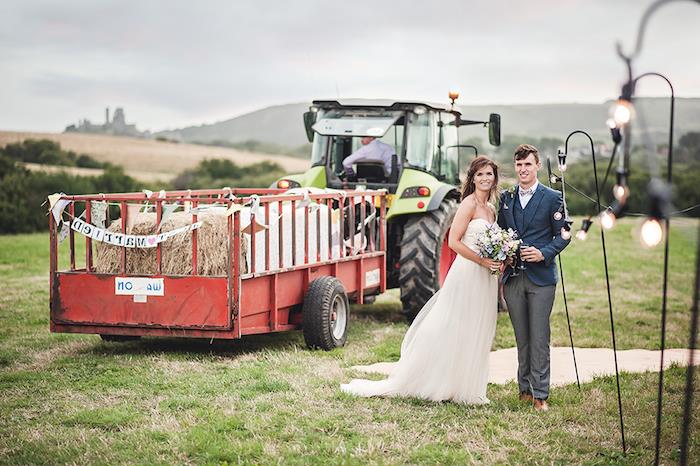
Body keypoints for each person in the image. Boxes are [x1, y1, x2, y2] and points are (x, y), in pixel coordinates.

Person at [341, 156, 502, 404]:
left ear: (494, 178)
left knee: (477, 327)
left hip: (486, 277)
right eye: (479, 174)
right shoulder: (467, 204)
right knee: (454, 324)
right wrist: (482, 261)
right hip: (469, 272)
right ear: (473, 178)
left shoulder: (491, 210)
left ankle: (468, 387)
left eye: (488, 174)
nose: (484, 179)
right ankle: (438, 381)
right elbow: (453, 242)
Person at [497, 144, 570, 412]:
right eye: (518, 165)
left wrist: (544, 253)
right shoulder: (505, 198)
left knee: (539, 337)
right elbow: (501, 233)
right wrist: (503, 254)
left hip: (542, 279)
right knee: (522, 337)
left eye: (528, 164)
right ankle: (524, 390)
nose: (523, 169)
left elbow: (564, 235)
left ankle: (541, 394)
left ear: (537, 165)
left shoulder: (552, 198)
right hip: (513, 279)